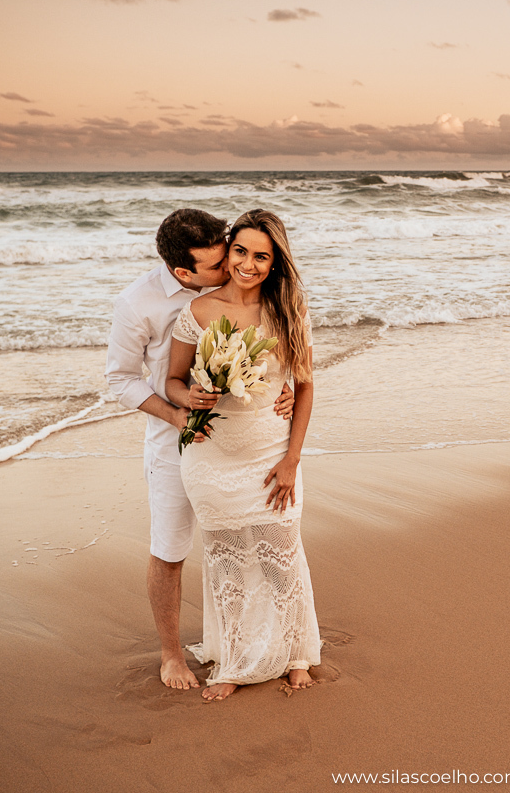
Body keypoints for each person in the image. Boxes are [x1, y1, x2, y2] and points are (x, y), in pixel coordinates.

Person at [106, 208, 294, 691]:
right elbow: (121, 380)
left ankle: (272, 643)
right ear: (182, 272)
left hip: (246, 440)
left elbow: (280, 341)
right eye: (215, 267)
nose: (230, 268)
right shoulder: (137, 304)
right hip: (175, 444)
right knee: (170, 550)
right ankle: (171, 655)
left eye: (228, 252)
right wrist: (176, 416)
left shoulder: (243, 279)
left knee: (255, 538)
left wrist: (282, 386)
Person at [166, 208, 321, 701]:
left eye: (261, 256)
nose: (248, 264)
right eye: (240, 251)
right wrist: (190, 397)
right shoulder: (197, 313)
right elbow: (172, 381)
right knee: (227, 563)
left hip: (270, 453)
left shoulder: (287, 313)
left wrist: (292, 459)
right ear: (228, 251)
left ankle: (295, 654)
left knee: (281, 556)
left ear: (275, 263)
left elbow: (305, 387)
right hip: (210, 458)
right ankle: (234, 660)